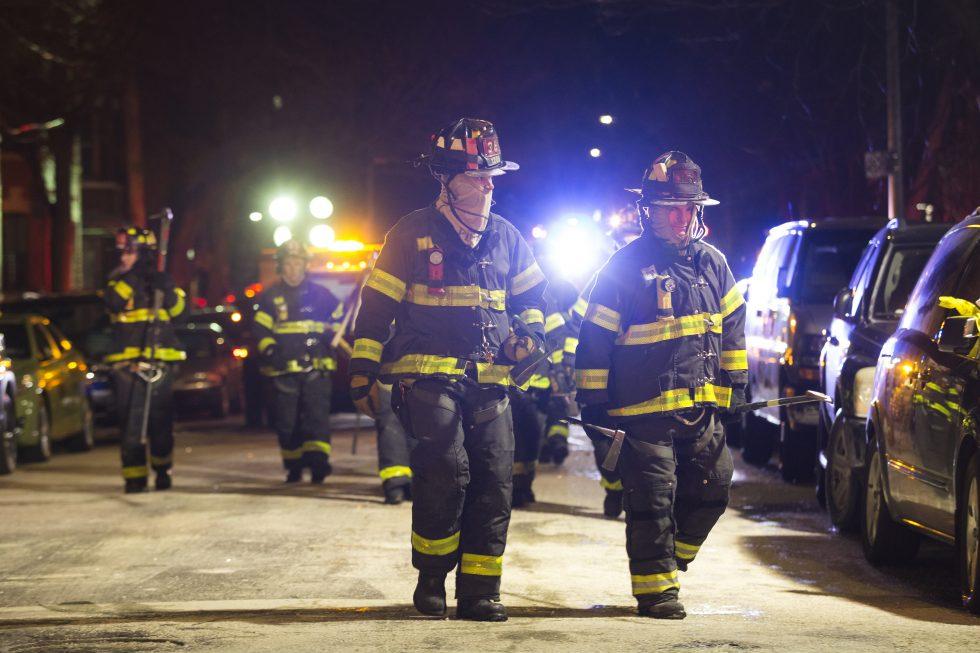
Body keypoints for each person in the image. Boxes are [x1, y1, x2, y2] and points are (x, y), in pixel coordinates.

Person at [349, 118, 547, 622]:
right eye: (478, 175)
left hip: (492, 386)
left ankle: (481, 589)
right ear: (447, 178)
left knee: (494, 479)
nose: (488, 184)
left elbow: (533, 303)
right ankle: (432, 577)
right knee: (445, 471)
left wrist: (530, 337)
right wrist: (363, 369)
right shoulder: (411, 232)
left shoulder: (506, 237)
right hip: (427, 381)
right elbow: (375, 309)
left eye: (492, 176)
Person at [575, 151, 747, 619]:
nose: (681, 217)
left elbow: (732, 325)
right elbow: (594, 340)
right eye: (670, 207)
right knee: (651, 502)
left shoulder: (714, 264)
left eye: (689, 207)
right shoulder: (622, 268)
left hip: (700, 407)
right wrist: (593, 401)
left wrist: (736, 384)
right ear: (646, 211)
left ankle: (674, 559)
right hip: (639, 413)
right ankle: (656, 593)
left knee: (714, 487)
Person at [104, 227, 187, 493]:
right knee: (131, 423)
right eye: (122, 252)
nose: (123, 258)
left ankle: (163, 470)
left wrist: (168, 290)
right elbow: (113, 302)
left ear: (143, 253)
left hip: (160, 361)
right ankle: (134, 477)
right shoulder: (118, 280)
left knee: (160, 422)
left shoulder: (162, 281)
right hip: (127, 366)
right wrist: (136, 276)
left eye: (128, 252)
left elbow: (181, 314)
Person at [253, 240, 343, 484]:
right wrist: (270, 350)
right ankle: (293, 466)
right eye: (288, 264)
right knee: (286, 422)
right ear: (280, 266)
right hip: (283, 371)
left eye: (297, 263)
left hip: (317, 368)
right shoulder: (270, 297)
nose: (293, 268)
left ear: (305, 265)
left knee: (317, 419)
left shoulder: (322, 295)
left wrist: (331, 334)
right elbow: (260, 330)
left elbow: (339, 323)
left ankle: (318, 466)